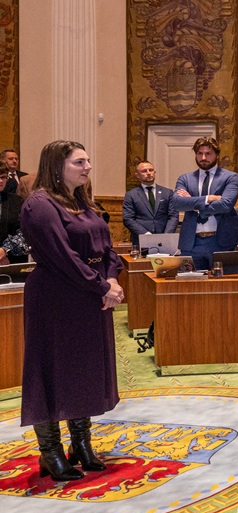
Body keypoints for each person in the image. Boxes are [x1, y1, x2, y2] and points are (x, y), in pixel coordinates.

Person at [19, 140, 124, 481]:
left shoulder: (82, 202)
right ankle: (50, 454)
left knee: (82, 370)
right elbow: (62, 257)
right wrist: (102, 286)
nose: (88, 167)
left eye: (88, 160)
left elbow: (108, 249)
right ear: (57, 165)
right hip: (56, 298)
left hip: (89, 298)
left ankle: (81, 445)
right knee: (49, 371)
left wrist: (110, 280)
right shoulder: (39, 205)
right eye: (80, 162)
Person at [172, 137, 238, 270]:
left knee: (224, 286)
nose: (203, 157)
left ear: (217, 155)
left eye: (208, 153)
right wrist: (208, 198)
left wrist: (192, 203)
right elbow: (177, 203)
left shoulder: (230, 177)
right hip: (192, 243)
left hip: (222, 241)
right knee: (191, 286)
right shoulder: (185, 179)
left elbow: (226, 205)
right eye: (200, 153)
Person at [121, 160, 178, 247]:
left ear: (154, 172)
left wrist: (167, 235)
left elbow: (173, 216)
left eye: (150, 170)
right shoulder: (131, 195)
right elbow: (128, 219)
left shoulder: (167, 193)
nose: (148, 173)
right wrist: (146, 234)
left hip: (164, 238)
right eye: (144, 171)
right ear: (137, 175)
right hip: (141, 240)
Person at [0, 162, 27, 264]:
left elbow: (25, 230)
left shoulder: (17, 201)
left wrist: (4, 250)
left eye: (3, 177)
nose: (1, 181)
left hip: (12, 260)